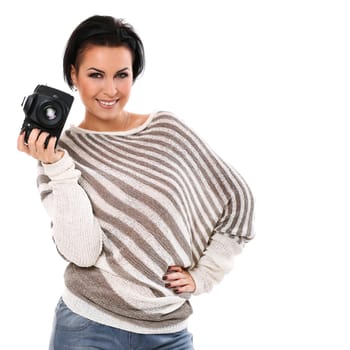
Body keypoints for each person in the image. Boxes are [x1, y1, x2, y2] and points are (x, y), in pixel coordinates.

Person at [17, 14, 255, 350]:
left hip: (167, 332)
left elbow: (238, 200)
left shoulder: (166, 130)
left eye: (122, 75)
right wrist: (57, 166)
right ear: (73, 74)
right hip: (87, 327)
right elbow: (82, 254)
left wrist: (204, 276)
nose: (110, 90)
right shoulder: (59, 153)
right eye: (96, 75)